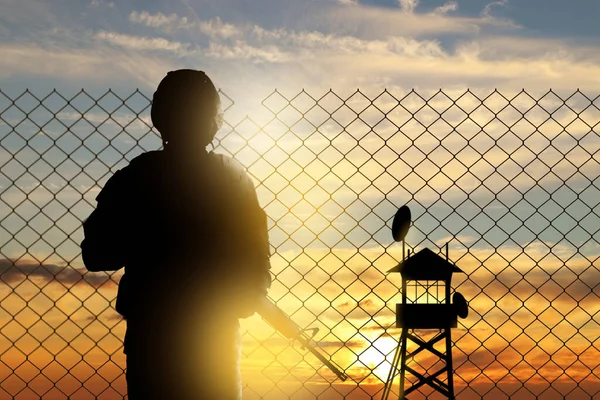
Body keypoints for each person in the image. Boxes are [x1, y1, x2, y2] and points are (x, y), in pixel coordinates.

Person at [80, 69, 272, 400]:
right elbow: (258, 269)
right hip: (210, 339)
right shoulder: (233, 180)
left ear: (161, 116)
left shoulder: (136, 177)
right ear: (213, 120)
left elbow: (96, 253)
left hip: (156, 338)